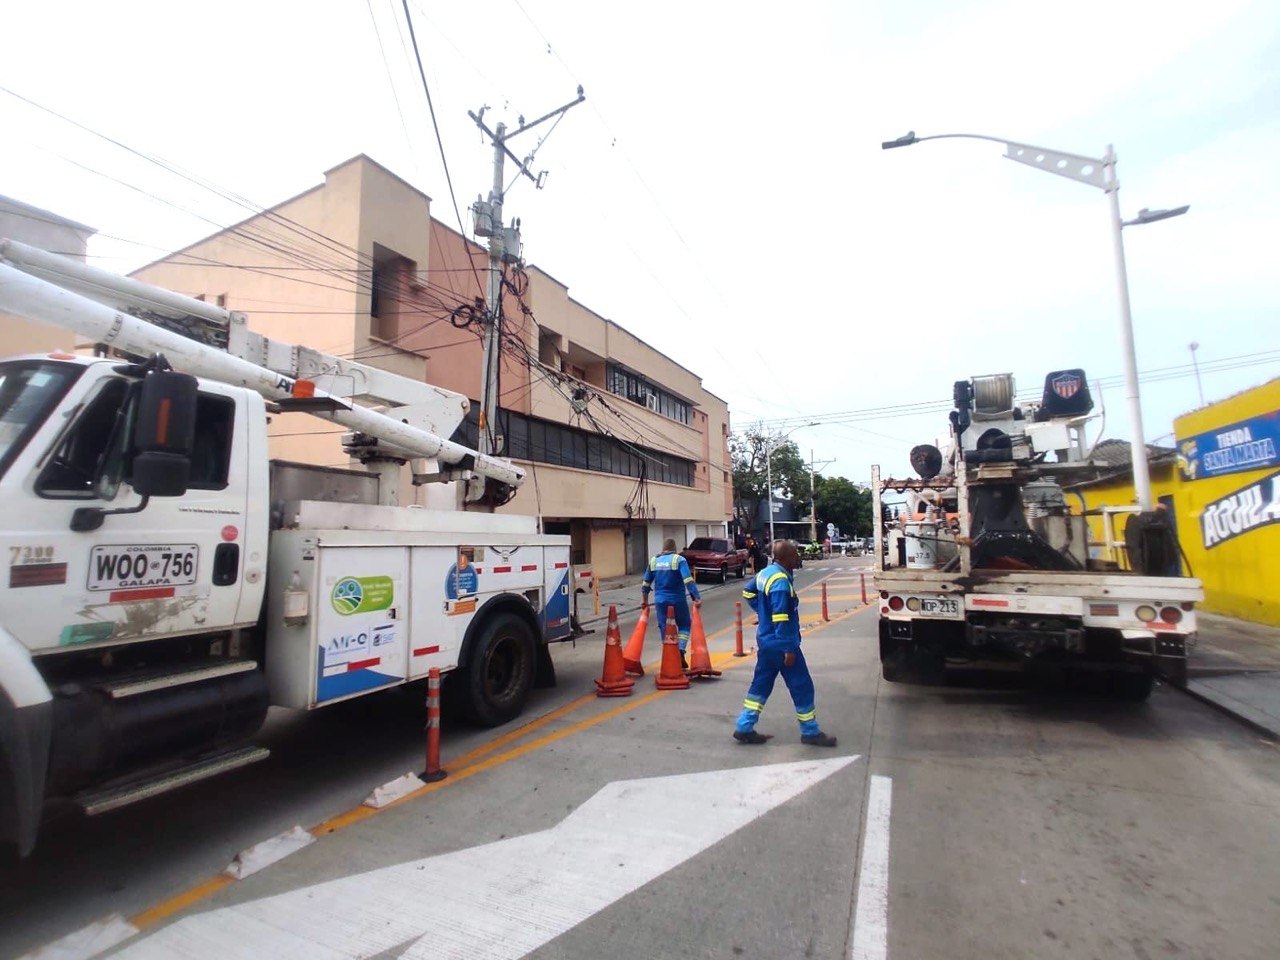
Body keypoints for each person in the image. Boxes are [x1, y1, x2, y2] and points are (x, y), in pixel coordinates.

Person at [734, 540, 836, 747]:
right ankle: (810, 732)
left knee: (760, 685)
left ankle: (744, 726)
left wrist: (763, 613)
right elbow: (781, 617)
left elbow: (748, 592)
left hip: (766, 642)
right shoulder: (780, 581)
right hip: (781, 644)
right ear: (786, 557)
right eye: (795, 554)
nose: (798, 557)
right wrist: (788, 648)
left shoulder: (766, 573)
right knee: (802, 686)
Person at [641, 538, 702, 669]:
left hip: (660, 601)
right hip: (677, 599)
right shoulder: (679, 560)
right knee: (684, 625)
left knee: (664, 627)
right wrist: (696, 597)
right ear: (674, 549)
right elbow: (688, 580)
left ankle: (669, 655)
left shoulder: (654, 561)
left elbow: (646, 583)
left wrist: (645, 601)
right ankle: (680, 649)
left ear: (663, 548)